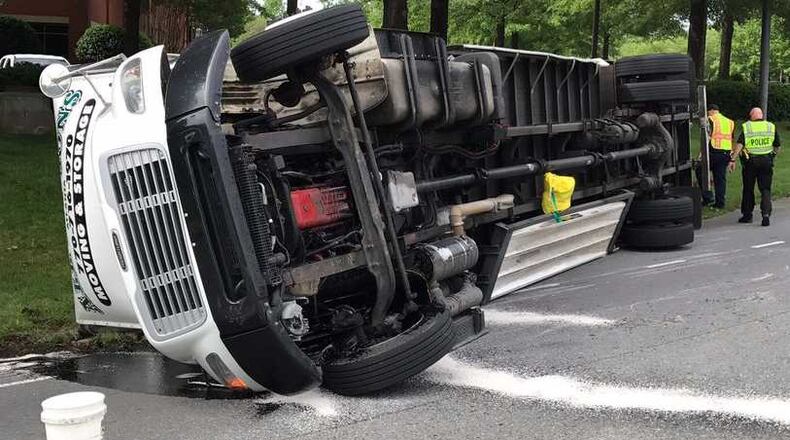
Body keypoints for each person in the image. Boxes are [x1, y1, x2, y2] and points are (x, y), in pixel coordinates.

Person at [730, 107, 781, 226]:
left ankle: (747, 215)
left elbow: (740, 144)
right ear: (761, 115)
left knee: (748, 188)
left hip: (750, 162)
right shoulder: (770, 126)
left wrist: (733, 159)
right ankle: (766, 214)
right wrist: (772, 156)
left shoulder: (748, 127)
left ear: (752, 116)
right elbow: (777, 145)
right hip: (766, 161)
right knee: (765, 189)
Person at [702, 104, 735, 208]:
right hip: (726, 153)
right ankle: (720, 203)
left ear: (711, 111)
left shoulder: (710, 119)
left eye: (708, 112)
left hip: (714, 151)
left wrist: (701, 154)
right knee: (720, 178)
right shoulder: (729, 122)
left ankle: (708, 197)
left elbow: (707, 137)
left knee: (701, 171)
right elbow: (731, 138)